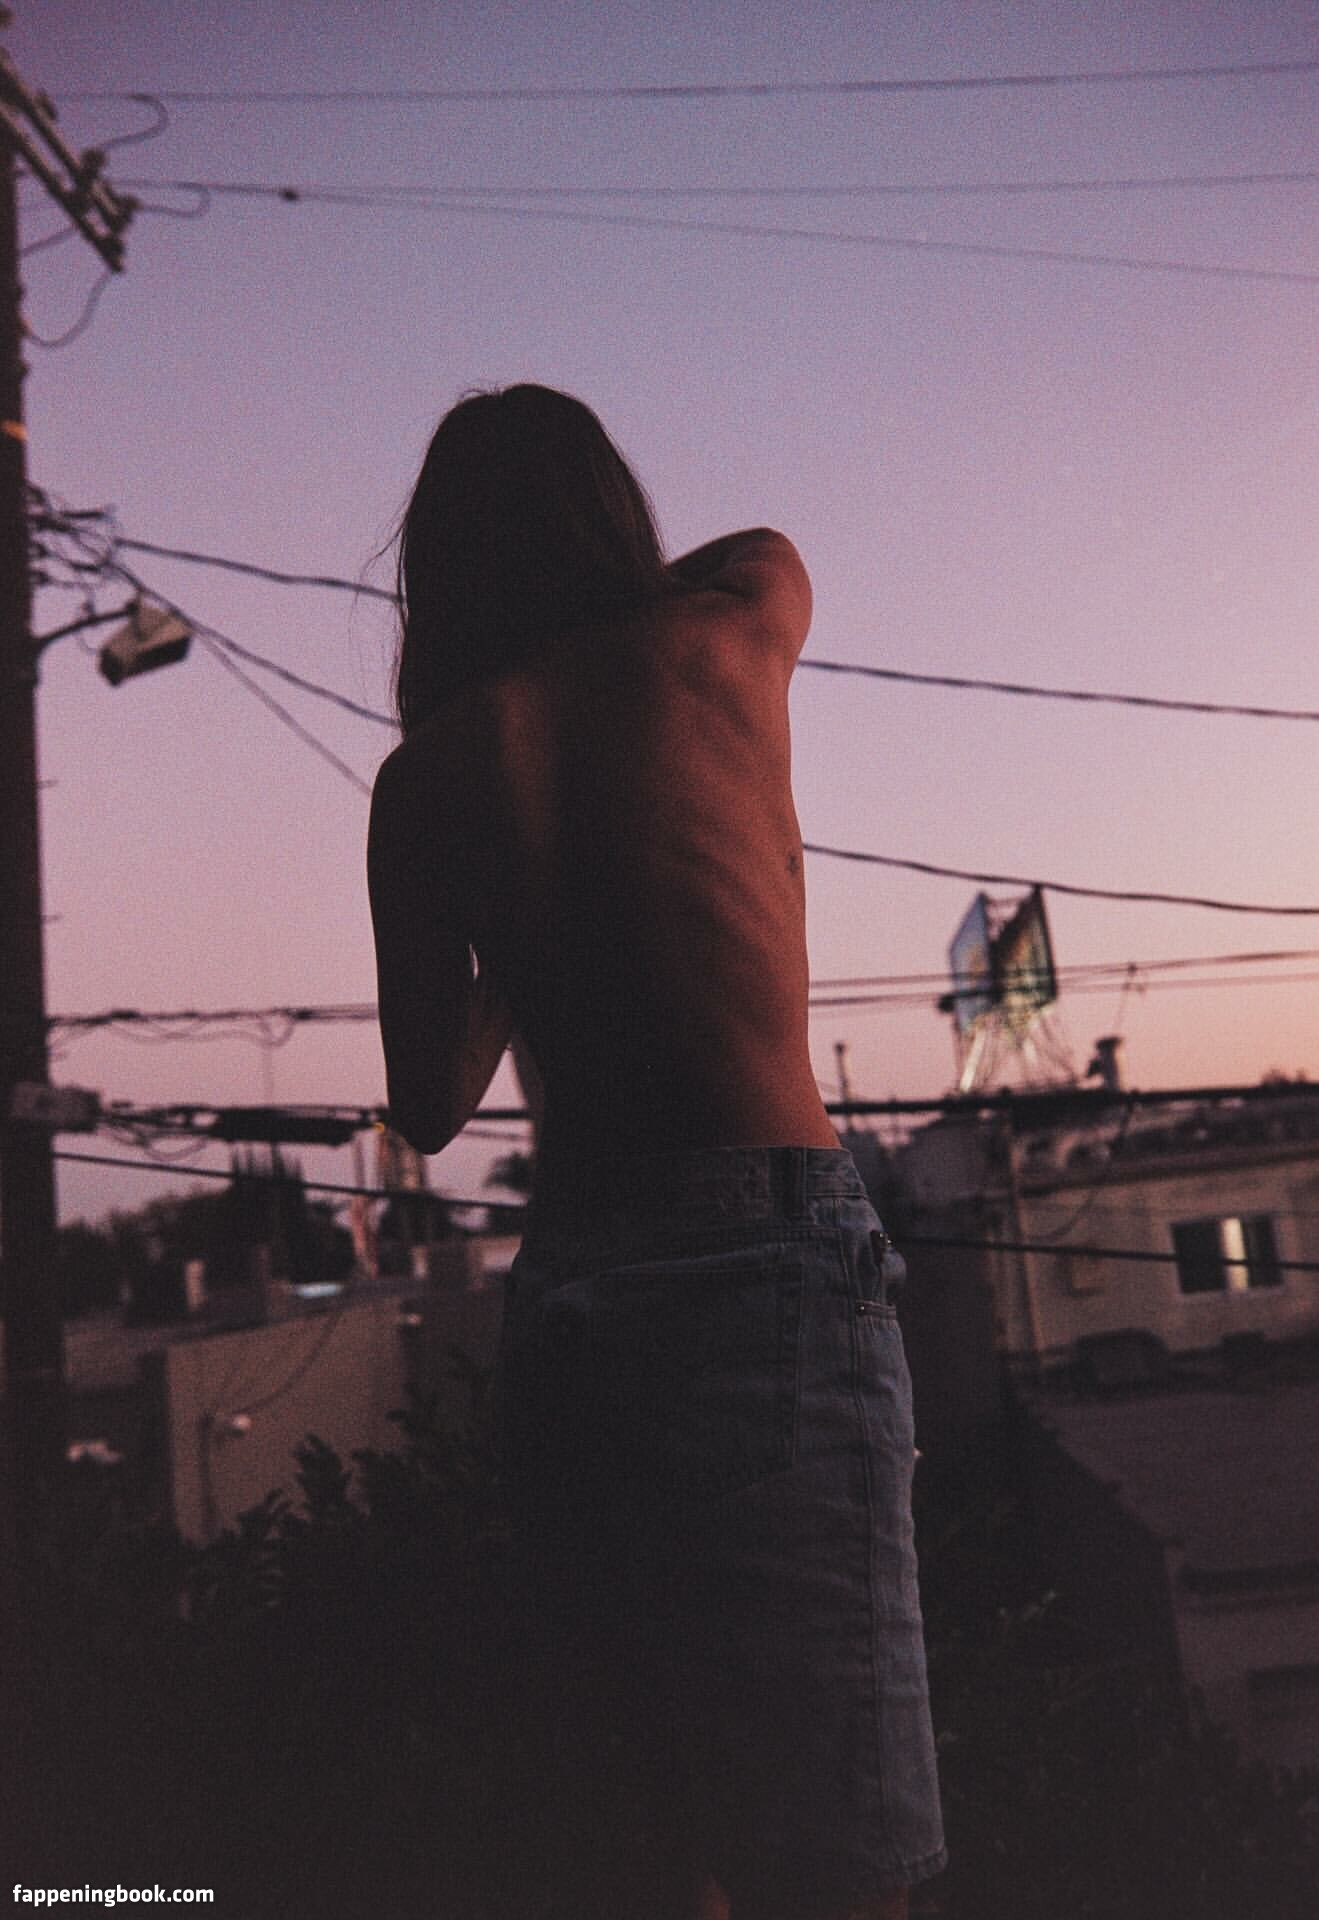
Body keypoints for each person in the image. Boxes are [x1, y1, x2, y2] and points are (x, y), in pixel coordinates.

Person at [367, 384, 946, 1919]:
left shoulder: (429, 773)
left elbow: (428, 1103)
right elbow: (771, 548)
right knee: (835, 1850)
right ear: (610, 511)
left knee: (646, 1834)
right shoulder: (725, 637)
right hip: (767, 1254)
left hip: (577, 1280)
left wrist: (529, 930)